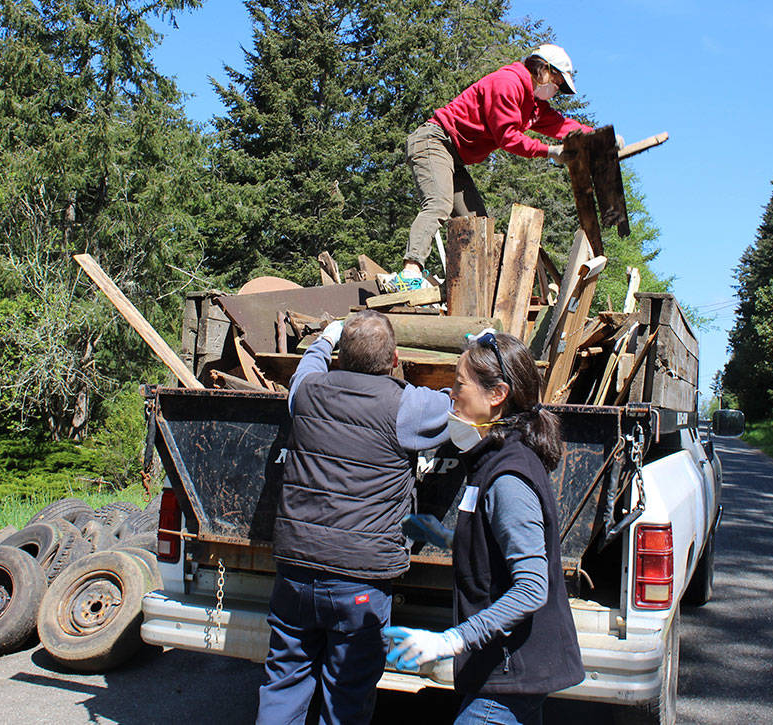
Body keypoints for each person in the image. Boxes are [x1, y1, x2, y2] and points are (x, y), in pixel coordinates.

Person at [256, 310, 453, 725]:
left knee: (282, 683)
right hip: (359, 581)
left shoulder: (307, 391)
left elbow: (306, 368)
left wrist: (324, 339)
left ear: (340, 357)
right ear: (395, 359)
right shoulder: (407, 405)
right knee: (345, 698)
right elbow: (459, 407)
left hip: (295, 571)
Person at [383, 330, 584, 725]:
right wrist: (445, 537)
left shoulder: (509, 475)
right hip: (505, 671)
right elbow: (497, 546)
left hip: (510, 673)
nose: (450, 394)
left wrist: (452, 639)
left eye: (459, 384)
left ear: (497, 395)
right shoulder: (490, 458)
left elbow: (531, 587)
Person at [382, 44, 603, 292]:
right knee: (439, 203)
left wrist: (596, 138)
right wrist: (549, 151)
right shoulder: (507, 83)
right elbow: (507, 137)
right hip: (434, 141)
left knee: (477, 223)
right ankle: (409, 273)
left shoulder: (533, 105)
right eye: (557, 82)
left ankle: (465, 286)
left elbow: (561, 125)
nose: (556, 90)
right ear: (542, 69)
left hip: (453, 154)